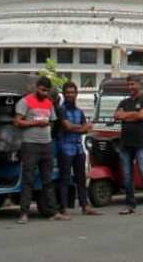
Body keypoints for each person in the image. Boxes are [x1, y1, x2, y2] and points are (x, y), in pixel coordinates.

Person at [14, 75, 67, 223]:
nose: (45, 93)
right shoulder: (25, 102)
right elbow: (17, 122)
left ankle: (53, 212)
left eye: (47, 91)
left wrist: (46, 125)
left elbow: (52, 122)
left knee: (48, 180)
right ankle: (24, 213)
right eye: (43, 90)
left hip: (47, 144)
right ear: (37, 87)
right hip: (30, 144)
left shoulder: (49, 103)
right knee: (28, 179)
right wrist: (35, 123)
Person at [112, 75, 143, 216]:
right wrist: (133, 115)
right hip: (125, 144)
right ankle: (130, 205)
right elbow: (116, 115)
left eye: (133, 84)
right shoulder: (124, 101)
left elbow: (142, 116)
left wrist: (127, 115)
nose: (130, 87)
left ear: (139, 84)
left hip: (140, 144)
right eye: (128, 84)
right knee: (127, 176)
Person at [55, 82, 98, 217]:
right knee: (65, 179)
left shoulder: (79, 111)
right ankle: (63, 208)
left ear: (76, 94)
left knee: (81, 178)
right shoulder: (61, 110)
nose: (70, 95)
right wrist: (81, 128)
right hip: (65, 147)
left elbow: (85, 127)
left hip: (79, 148)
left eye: (72, 92)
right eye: (67, 92)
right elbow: (68, 127)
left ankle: (85, 206)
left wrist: (78, 128)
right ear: (63, 94)